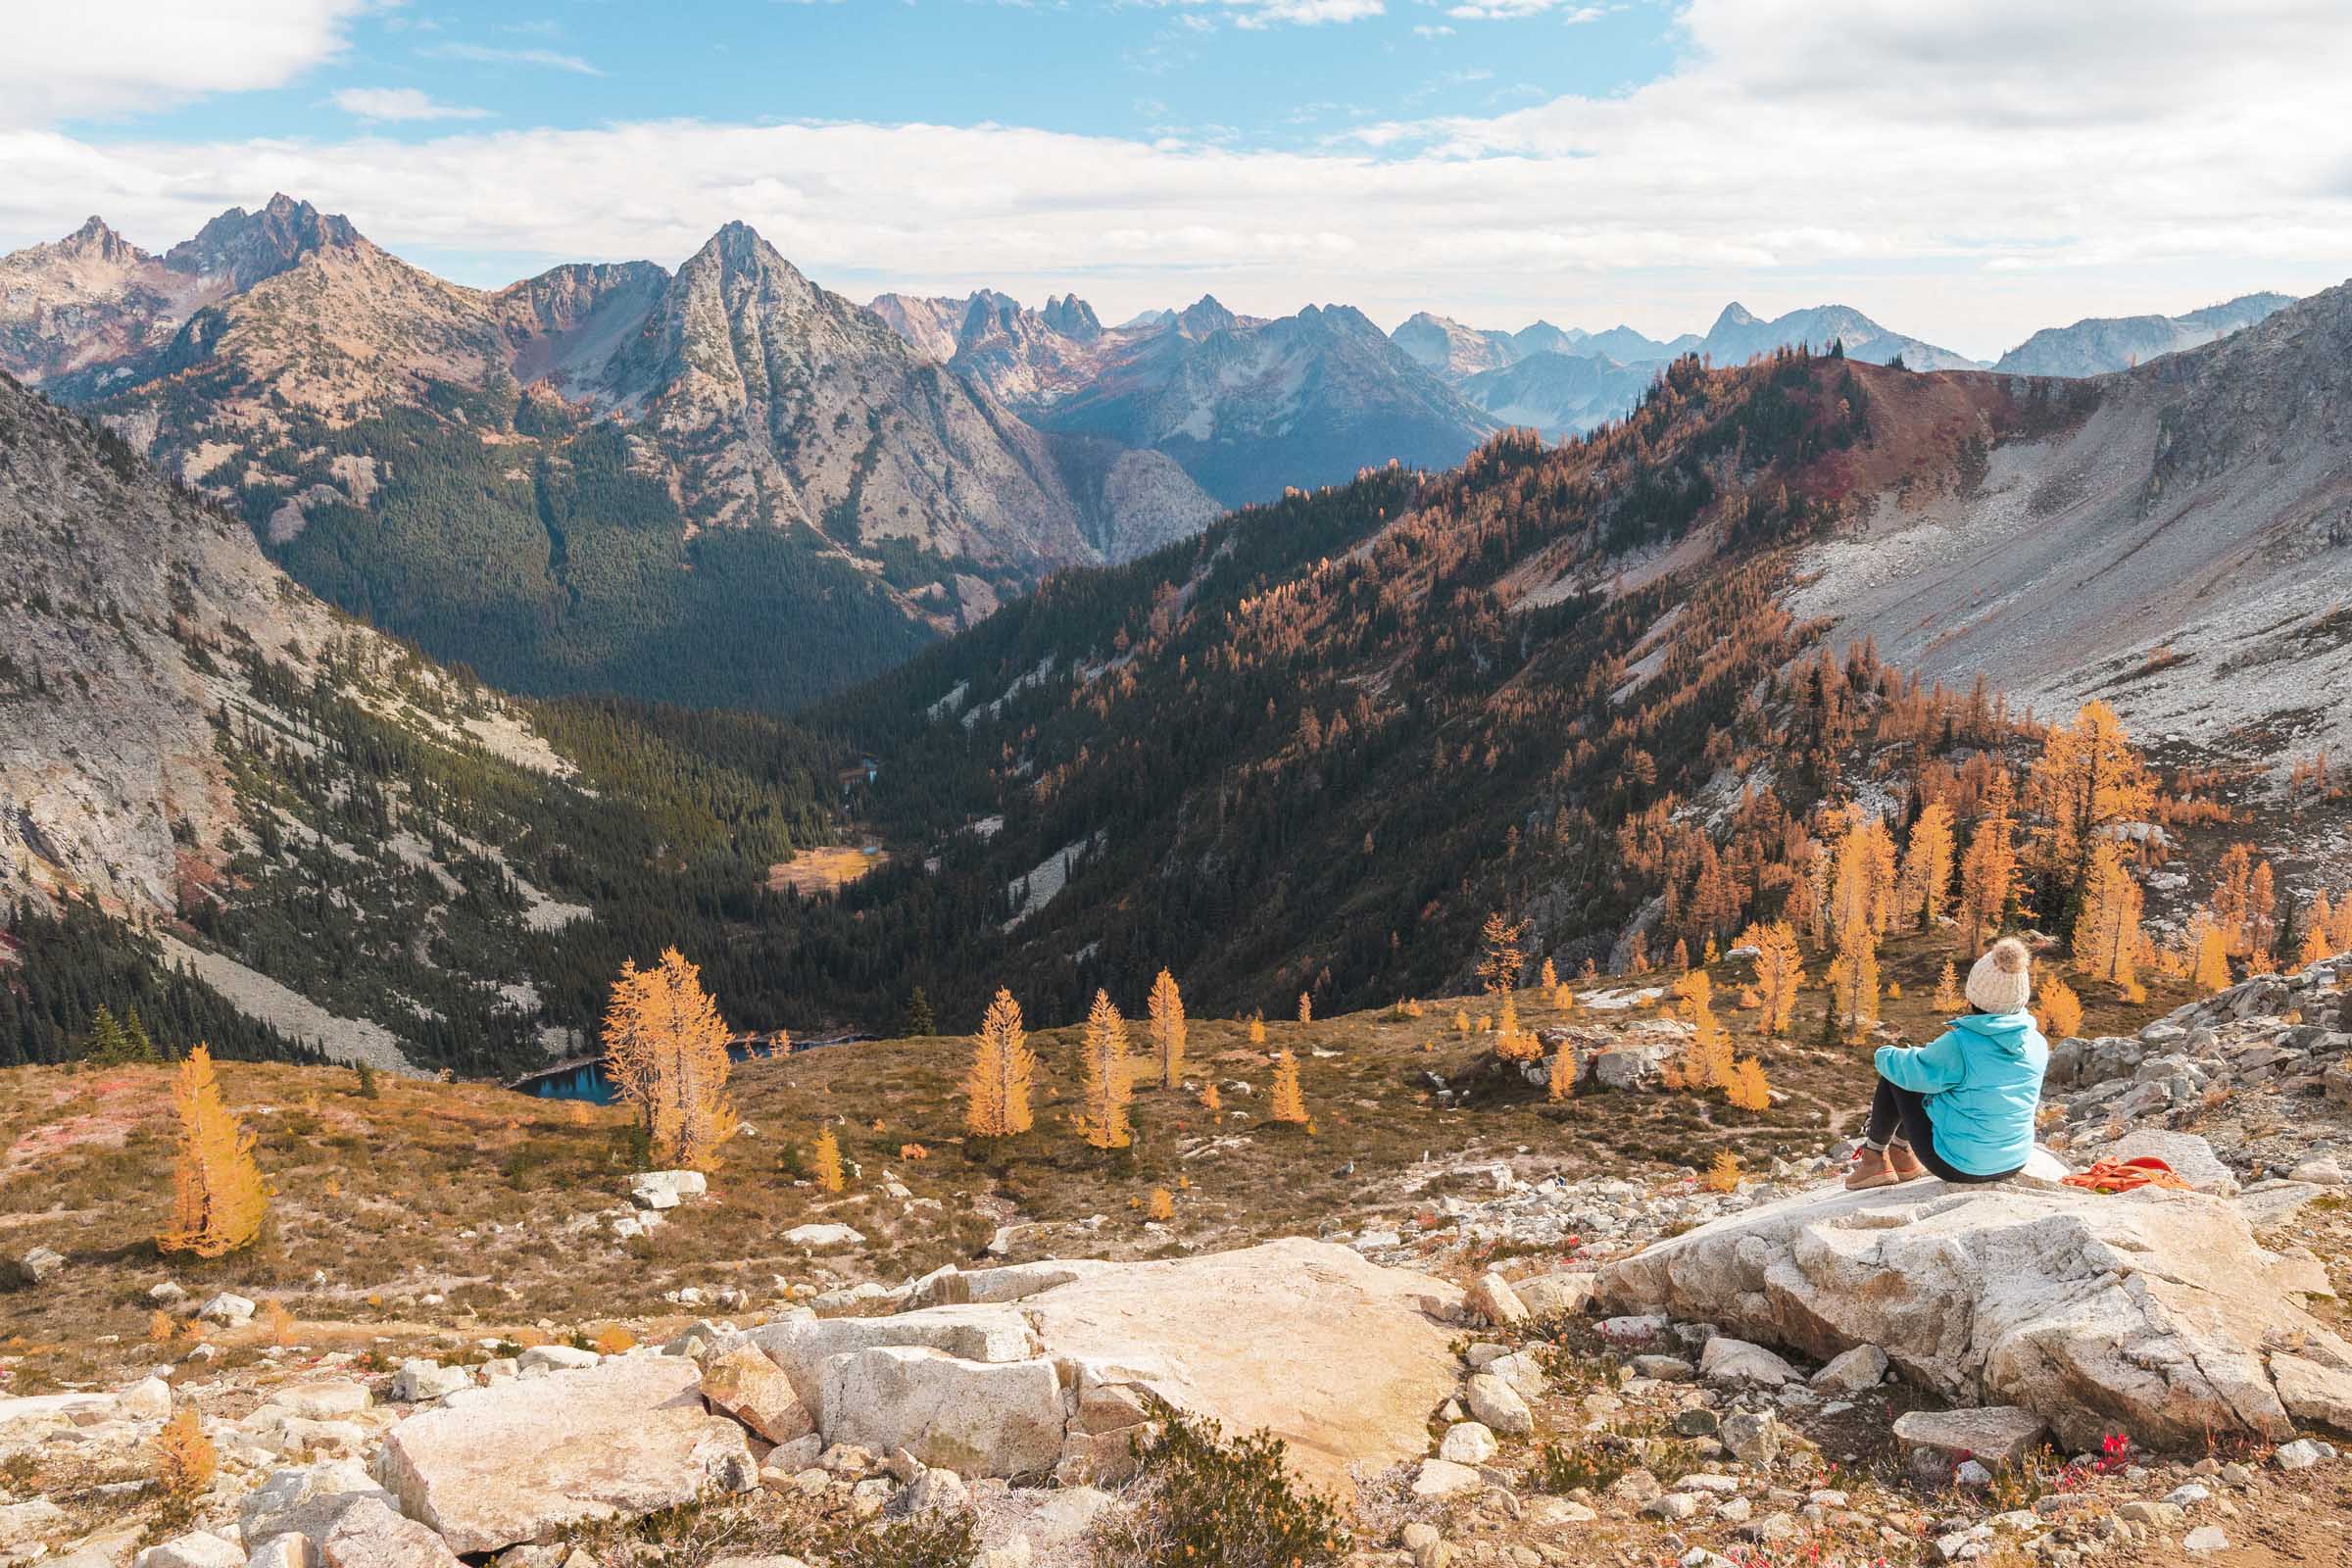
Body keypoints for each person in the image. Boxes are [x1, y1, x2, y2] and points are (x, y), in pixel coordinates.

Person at [1847, 937, 2048, 1190]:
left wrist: (1883, 1051)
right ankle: (1901, 1155)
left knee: (1897, 1072)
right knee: (1937, 1080)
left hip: (1960, 1166)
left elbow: (1909, 1069)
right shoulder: (2037, 1042)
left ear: (1973, 994)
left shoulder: (1959, 1044)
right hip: (2014, 1161)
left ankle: (1875, 1158)